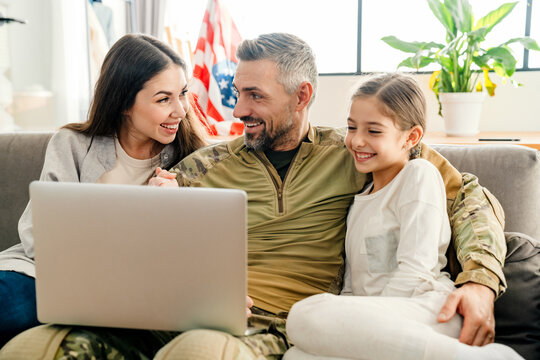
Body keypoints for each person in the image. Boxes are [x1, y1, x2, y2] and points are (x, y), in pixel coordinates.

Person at [0, 33, 506, 360]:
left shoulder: (354, 152)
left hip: (276, 326)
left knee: (196, 354)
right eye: (236, 91)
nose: (237, 108)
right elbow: (144, 244)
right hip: (183, 314)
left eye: (255, 96)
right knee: (34, 348)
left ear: (302, 96)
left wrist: (481, 280)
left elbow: (467, 198)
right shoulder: (203, 165)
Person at [282, 73, 521, 360]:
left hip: (427, 308)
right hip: (379, 322)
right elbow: (352, 288)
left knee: (303, 315)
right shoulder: (358, 201)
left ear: (411, 137)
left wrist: (367, 326)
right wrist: (354, 326)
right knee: (296, 355)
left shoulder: (419, 176)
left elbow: (415, 272)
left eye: (374, 131)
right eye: (351, 127)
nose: (357, 141)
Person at [0, 33, 207, 348]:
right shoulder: (72, 145)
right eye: (164, 99)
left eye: (182, 94)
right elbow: (37, 232)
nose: (180, 110)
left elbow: (192, 257)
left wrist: (163, 211)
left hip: (136, 289)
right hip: (49, 274)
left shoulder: (193, 159)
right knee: (11, 304)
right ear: (124, 103)